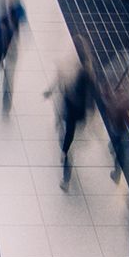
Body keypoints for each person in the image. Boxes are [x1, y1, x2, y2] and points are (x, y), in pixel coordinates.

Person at [50, 46, 98, 188]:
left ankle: (66, 177)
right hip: (78, 115)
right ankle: (64, 153)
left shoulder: (82, 75)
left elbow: (76, 97)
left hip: (73, 113)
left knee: (68, 142)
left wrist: (65, 88)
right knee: (69, 140)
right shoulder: (88, 74)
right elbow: (91, 100)